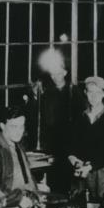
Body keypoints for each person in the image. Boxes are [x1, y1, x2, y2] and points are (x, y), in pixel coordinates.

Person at [34, 46, 81, 191]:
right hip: (53, 141)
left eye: (58, 73)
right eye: (52, 74)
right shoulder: (48, 92)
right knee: (54, 179)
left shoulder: (74, 92)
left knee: (70, 180)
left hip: (71, 140)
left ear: (65, 73)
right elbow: (43, 118)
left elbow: (79, 117)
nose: (55, 77)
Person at [68, 76, 104, 200]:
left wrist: (90, 166)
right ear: (85, 93)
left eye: (97, 92)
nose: (93, 96)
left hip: (103, 174)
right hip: (80, 172)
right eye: (90, 92)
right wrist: (75, 161)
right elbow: (72, 145)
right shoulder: (79, 117)